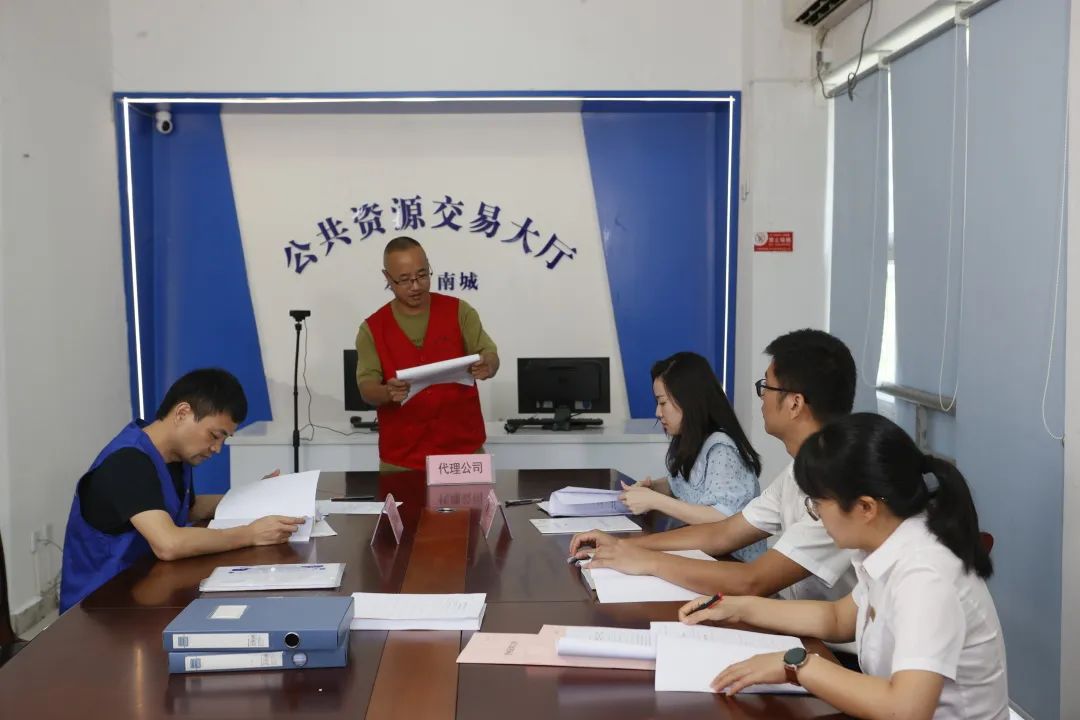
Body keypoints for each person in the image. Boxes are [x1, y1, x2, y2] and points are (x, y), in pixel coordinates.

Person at [678, 413, 1007, 720]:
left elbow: (905, 709)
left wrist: (797, 666)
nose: (816, 514)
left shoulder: (925, 574)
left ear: (865, 508)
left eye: (818, 503)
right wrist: (738, 608)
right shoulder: (888, 544)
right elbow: (836, 619)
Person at [570, 329, 858, 601]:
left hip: (823, 632)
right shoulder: (796, 472)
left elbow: (753, 580)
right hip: (793, 613)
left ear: (794, 403)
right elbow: (722, 533)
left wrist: (647, 560)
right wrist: (624, 546)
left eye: (766, 387)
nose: (761, 398)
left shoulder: (840, 483)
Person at [60, 369, 304, 612]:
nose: (217, 449)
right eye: (214, 435)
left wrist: (253, 497)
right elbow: (169, 544)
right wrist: (250, 534)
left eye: (223, 440)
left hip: (148, 591)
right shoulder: (128, 462)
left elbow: (187, 509)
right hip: (103, 610)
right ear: (182, 413)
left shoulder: (176, 458)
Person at [355, 236, 499, 472]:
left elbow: (489, 353)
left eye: (422, 275)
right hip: (402, 460)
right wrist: (386, 392)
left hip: (463, 454)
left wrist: (488, 365)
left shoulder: (459, 311)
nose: (416, 286)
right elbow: (366, 386)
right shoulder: (372, 328)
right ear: (387, 278)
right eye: (404, 280)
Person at [618, 352, 766, 562]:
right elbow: (684, 483)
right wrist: (652, 488)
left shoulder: (721, 449)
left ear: (689, 401)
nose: (658, 412)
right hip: (705, 554)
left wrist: (655, 501)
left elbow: (721, 518)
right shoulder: (695, 441)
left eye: (662, 402)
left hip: (733, 562)